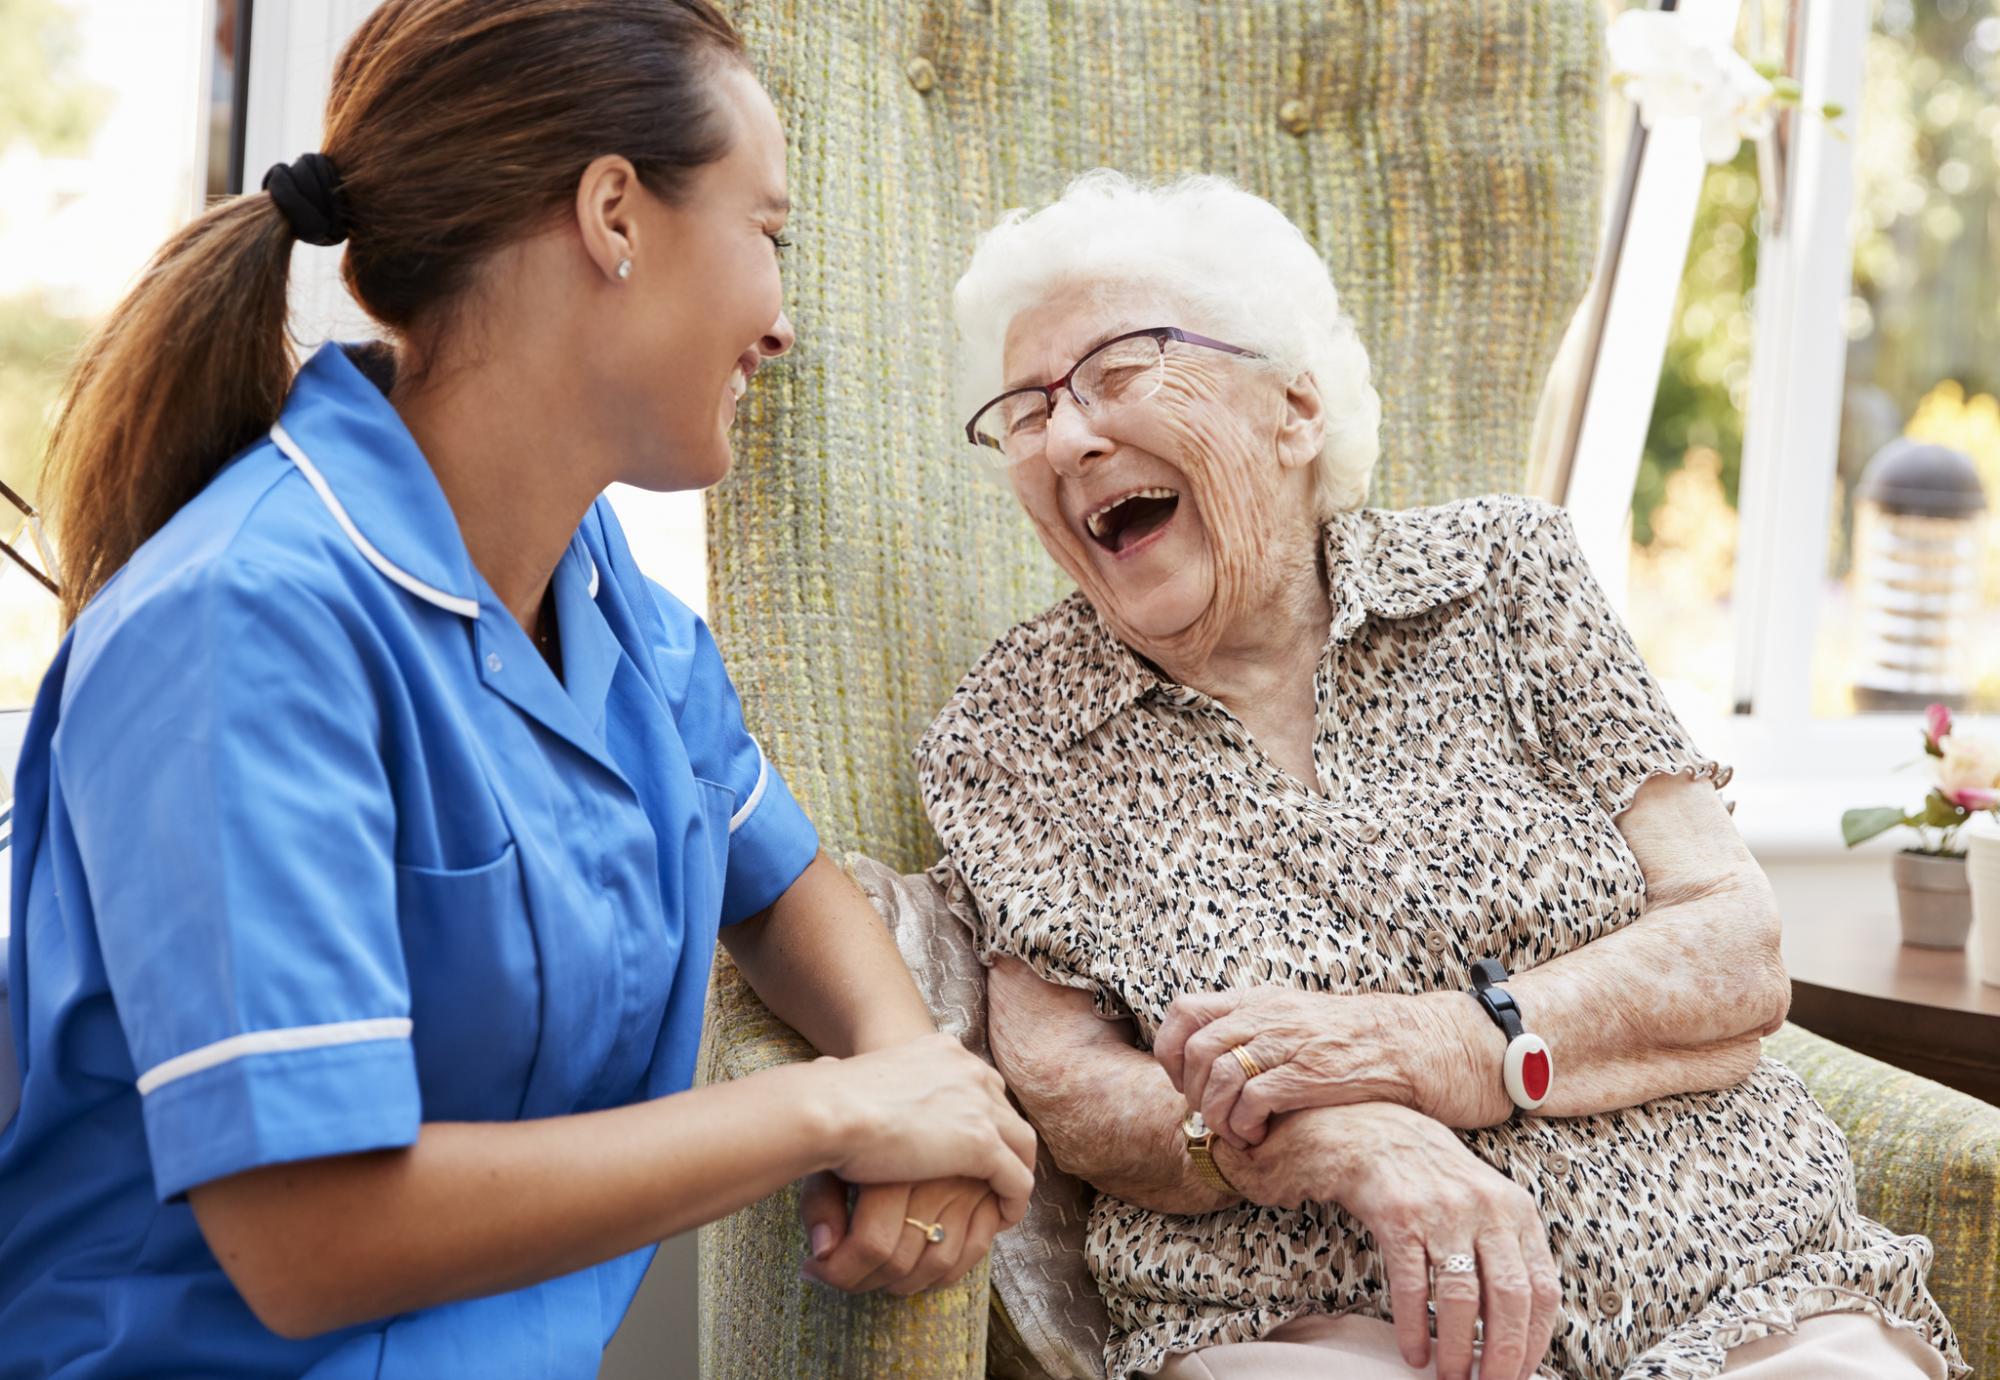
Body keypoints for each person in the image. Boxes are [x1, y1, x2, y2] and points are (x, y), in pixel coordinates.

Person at [0, 3, 1034, 1375]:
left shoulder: (598, 593)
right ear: (615, 213)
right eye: (767, 234)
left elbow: (774, 880)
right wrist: (838, 1112)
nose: (781, 325)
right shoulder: (239, 625)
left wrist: (919, 1076)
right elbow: (312, 1241)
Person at [916, 171, 1963, 1380]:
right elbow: (1075, 1095)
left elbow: (1731, 947)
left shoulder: (1503, 576)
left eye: (1113, 372)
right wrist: (1352, 1144)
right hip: (1317, 1311)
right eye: (1028, 410)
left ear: (1292, 409)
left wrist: (1421, 1052)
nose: (1070, 436)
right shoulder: (1014, 727)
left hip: (1740, 1278)